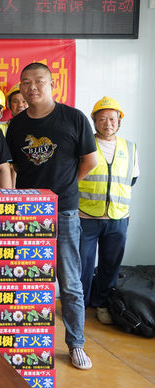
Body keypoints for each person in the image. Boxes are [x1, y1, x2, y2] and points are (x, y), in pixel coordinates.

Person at [6, 62, 97, 371]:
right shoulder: (16, 126)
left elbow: (90, 161)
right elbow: (14, 167)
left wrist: (65, 187)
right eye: (26, 82)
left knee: (69, 281)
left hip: (65, 210)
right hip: (28, 212)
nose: (32, 87)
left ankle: (76, 344)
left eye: (39, 81)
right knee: (26, 279)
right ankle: (23, 340)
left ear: (52, 84)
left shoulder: (73, 118)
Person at [78, 96, 138, 325]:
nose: (108, 123)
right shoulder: (84, 145)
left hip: (118, 216)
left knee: (110, 265)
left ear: (119, 121)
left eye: (112, 119)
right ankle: (80, 305)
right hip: (86, 215)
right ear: (94, 121)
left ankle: (102, 304)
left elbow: (132, 179)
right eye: (102, 119)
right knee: (82, 264)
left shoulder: (130, 148)